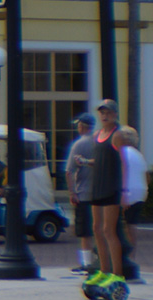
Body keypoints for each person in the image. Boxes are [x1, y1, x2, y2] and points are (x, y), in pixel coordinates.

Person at [82, 99, 129, 290]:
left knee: (110, 231)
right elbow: (100, 159)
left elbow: (124, 163)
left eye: (108, 112)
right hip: (98, 187)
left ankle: (118, 274)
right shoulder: (96, 135)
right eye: (102, 112)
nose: (104, 115)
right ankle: (104, 270)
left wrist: (125, 191)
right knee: (96, 229)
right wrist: (86, 162)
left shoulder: (117, 135)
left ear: (115, 114)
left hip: (112, 188)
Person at [67, 113, 98, 274]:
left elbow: (69, 171)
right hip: (99, 194)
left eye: (78, 125)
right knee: (99, 229)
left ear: (82, 126)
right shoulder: (99, 142)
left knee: (84, 231)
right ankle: (99, 261)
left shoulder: (78, 145)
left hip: (83, 193)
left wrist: (72, 192)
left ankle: (86, 264)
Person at [115, 126, 146, 284]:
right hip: (140, 191)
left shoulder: (122, 153)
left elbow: (122, 173)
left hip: (127, 191)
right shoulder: (138, 154)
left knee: (121, 226)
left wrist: (123, 193)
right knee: (132, 225)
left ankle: (122, 257)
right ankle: (131, 257)